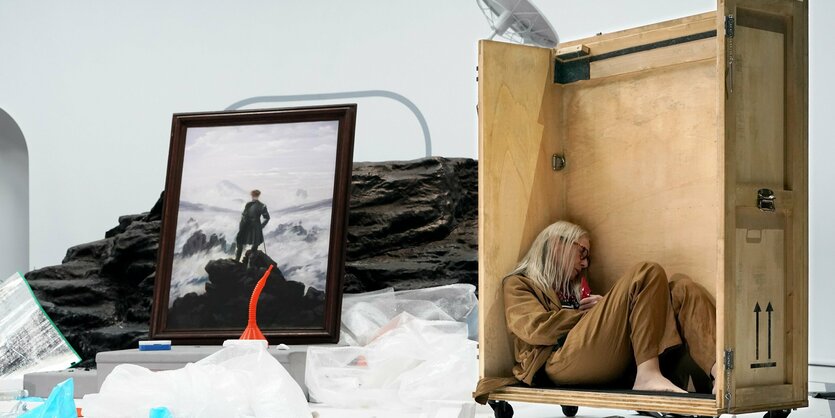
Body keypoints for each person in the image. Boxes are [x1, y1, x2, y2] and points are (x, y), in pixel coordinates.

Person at [502, 220, 717, 393]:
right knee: (647, 272)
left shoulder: (577, 287)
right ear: (558, 244)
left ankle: (721, 374)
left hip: (607, 359)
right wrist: (591, 313)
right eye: (582, 253)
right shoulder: (519, 283)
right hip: (557, 362)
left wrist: (603, 309)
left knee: (684, 288)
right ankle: (647, 375)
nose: (585, 264)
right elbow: (536, 329)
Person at [235, 189, 271, 262]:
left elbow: (267, 217)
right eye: (253, 195)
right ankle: (237, 260)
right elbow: (244, 215)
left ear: (258, 196)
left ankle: (250, 263)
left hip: (256, 227)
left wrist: (261, 226)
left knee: (255, 244)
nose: (254, 197)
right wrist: (243, 222)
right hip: (246, 226)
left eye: (255, 195)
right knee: (239, 240)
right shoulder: (248, 204)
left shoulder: (262, 206)